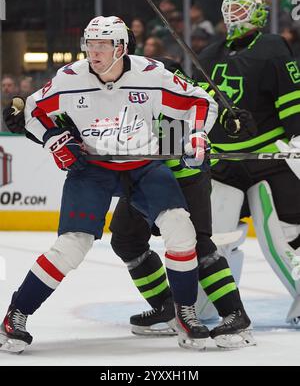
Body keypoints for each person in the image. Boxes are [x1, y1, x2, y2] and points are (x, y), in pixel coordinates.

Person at [2, 27, 256, 350]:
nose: (93, 52)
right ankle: (16, 315)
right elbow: (32, 111)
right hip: (92, 168)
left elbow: (201, 99)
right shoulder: (71, 77)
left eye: (102, 45)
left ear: (121, 48)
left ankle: (185, 312)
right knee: (74, 245)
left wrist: (198, 133)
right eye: (89, 44)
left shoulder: (151, 73)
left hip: (144, 164)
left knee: (184, 232)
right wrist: (51, 137)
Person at [193, 0, 300, 325]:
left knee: (281, 234)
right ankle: (211, 304)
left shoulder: (272, 47)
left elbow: (291, 97)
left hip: (266, 158)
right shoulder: (208, 54)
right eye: (230, 8)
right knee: (216, 237)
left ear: (257, 12)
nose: (232, 15)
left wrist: (297, 133)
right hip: (225, 162)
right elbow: (197, 107)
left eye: (240, 9)